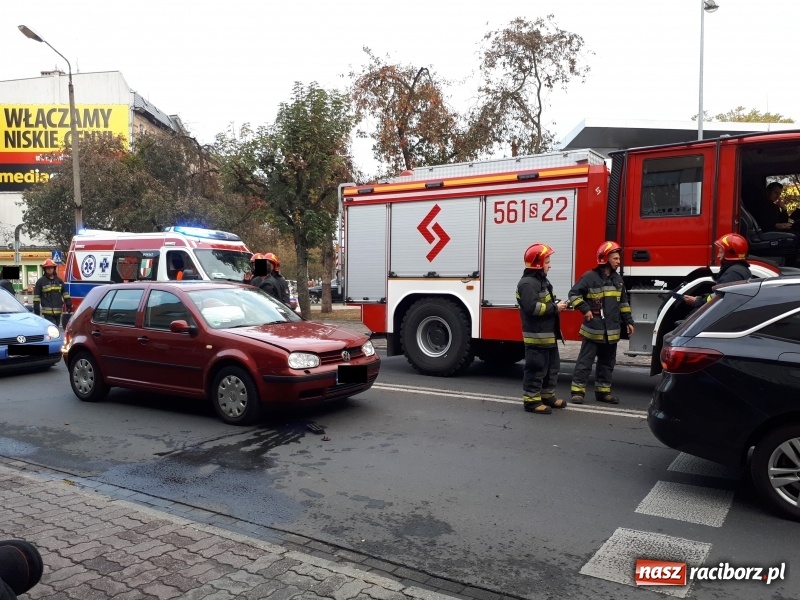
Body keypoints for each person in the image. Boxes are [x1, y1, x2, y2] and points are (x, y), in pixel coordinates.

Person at [568, 241, 635, 405]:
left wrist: (628, 321)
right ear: (605, 258)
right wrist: (585, 309)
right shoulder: (589, 277)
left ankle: (603, 392)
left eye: (618, 258)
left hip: (611, 331)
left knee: (607, 363)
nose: (618, 261)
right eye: (615, 258)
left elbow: (623, 302)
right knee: (585, 362)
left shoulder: (618, 280)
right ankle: (577, 392)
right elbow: (574, 294)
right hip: (593, 329)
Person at [517, 243, 568, 414]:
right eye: (547, 262)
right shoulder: (527, 284)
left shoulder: (542, 281)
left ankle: (547, 396)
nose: (550, 265)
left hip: (548, 335)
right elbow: (532, 308)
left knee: (552, 368)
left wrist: (557, 304)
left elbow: (544, 302)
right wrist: (555, 308)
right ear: (538, 264)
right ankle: (531, 402)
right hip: (537, 336)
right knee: (536, 368)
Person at [683, 233, 752, 308]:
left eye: (721, 252)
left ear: (730, 254)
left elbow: (718, 299)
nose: (718, 256)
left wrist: (697, 301)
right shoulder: (741, 270)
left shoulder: (732, 274)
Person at [33, 259, 72, 327]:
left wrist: (68, 303)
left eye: (51, 267)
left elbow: (65, 293)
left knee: (55, 328)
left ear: (54, 268)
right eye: (47, 268)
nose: (49, 269)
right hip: (47, 313)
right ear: (45, 269)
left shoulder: (59, 281)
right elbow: (37, 297)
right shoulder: (40, 282)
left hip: (58, 311)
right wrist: (36, 309)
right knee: (53, 327)